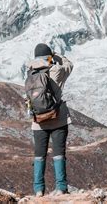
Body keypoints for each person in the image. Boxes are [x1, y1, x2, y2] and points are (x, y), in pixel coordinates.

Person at [25, 43, 74, 197]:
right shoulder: (56, 70)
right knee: (58, 153)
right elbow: (69, 65)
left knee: (39, 155)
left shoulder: (30, 73)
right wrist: (57, 55)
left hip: (38, 121)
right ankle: (61, 188)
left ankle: (38, 190)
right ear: (49, 57)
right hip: (58, 118)